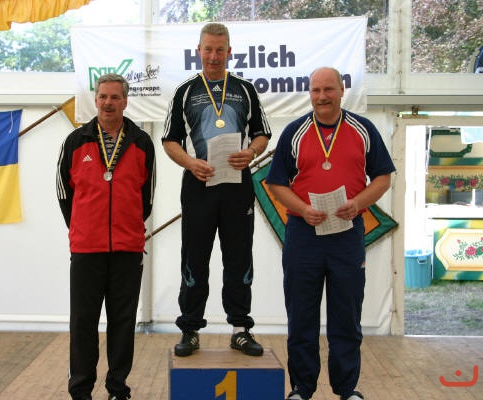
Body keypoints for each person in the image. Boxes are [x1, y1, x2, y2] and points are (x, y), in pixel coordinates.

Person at [266, 67, 396, 400]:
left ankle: (346, 389)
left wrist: (358, 203)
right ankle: (302, 388)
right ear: (309, 93)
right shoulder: (294, 132)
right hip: (303, 233)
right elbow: (276, 183)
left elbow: (383, 177)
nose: (321, 96)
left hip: (346, 233)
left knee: (346, 315)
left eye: (328, 89)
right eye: (315, 90)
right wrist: (302, 208)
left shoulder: (363, 129)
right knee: (301, 315)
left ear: (341, 90)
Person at [162, 22, 271, 357]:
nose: (213, 56)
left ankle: (240, 329)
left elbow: (262, 134)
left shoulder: (245, 89)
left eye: (219, 50)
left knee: (239, 257)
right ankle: (190, 329)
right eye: (208, 49)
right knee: (194, 257)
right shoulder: (184, 92)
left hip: (238, 185)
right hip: (199, 184)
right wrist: (190, 163)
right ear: (198, 51)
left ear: (229, 52)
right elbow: (169, 140)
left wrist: (251, 152)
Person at [56, 73, 156, 400]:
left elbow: (147, 196)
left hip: (127, 248)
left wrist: (127, 226)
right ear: (95, 99)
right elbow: (63, 192)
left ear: (125, 101)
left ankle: (117, 389)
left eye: (115, 97)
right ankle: (81, 390)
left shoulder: (141, 142)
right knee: (83, 322)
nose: (108, 103)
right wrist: (82, 226)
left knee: (122, 322)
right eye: (103, 97)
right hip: (87, 248)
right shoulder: (75, 141)